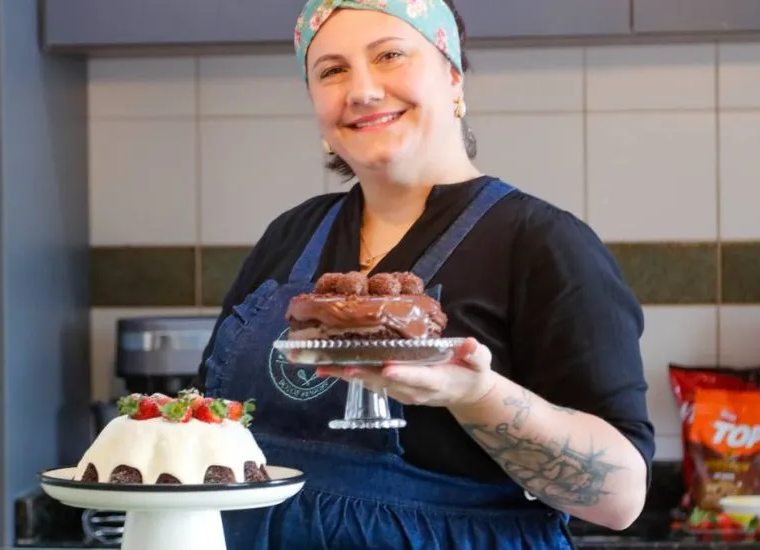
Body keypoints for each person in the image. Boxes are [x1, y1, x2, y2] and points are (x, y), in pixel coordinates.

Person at [192, 0, 655, 547]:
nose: (361, 90)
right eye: (332, 70)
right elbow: (210, 429)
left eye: (390, 55)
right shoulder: (289, 235)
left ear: (453, 77)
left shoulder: (542, 244)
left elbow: (620, 499)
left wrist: (475, 393)